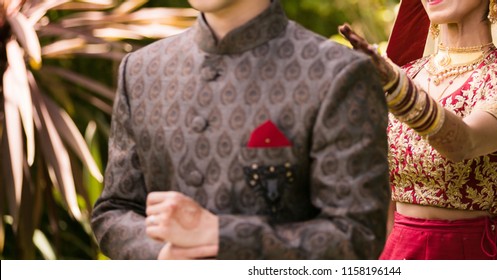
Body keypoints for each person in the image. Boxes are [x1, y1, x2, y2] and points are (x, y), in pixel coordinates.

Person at [91, 0, 390, 260]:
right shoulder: (142, 70)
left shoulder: (337, 74)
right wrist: (159, 256)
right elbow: (113, 210)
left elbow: (358, 236)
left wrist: (221, 236)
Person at [340, 0, 497, 259]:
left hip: (468, 253)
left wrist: (400, 94)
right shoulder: (406, 75)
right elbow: (386, 200)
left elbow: (462, 143)